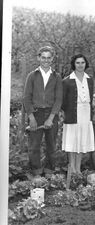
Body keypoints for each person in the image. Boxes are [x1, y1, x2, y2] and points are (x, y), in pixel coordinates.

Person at [23, 46, 63, 177]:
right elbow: (26, 98)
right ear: (38, 58)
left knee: (51, 145)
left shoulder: (56, 77)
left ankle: (49, 172)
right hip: (36, 113)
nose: (46, 60)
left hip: (52, 114)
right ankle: (36, 173)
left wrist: (51, 118)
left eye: (49, 58)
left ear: (52, 59)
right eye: (43, 57)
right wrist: (32, 118)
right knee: (34, 146)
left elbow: (58, 99)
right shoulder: (32, 76)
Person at [61, 54, 95, 182]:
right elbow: (63, 101)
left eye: (82, 62)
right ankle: (72, 168)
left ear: (86, 64)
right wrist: (69, 111)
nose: (80, 65)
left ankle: (78, 168)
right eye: (77, 63)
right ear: (73, 64)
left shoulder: (89, 79)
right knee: (72, 141)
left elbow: (91, 97)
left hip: (86, 113)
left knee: (81, 141)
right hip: (73, 113)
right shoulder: (67, 80)